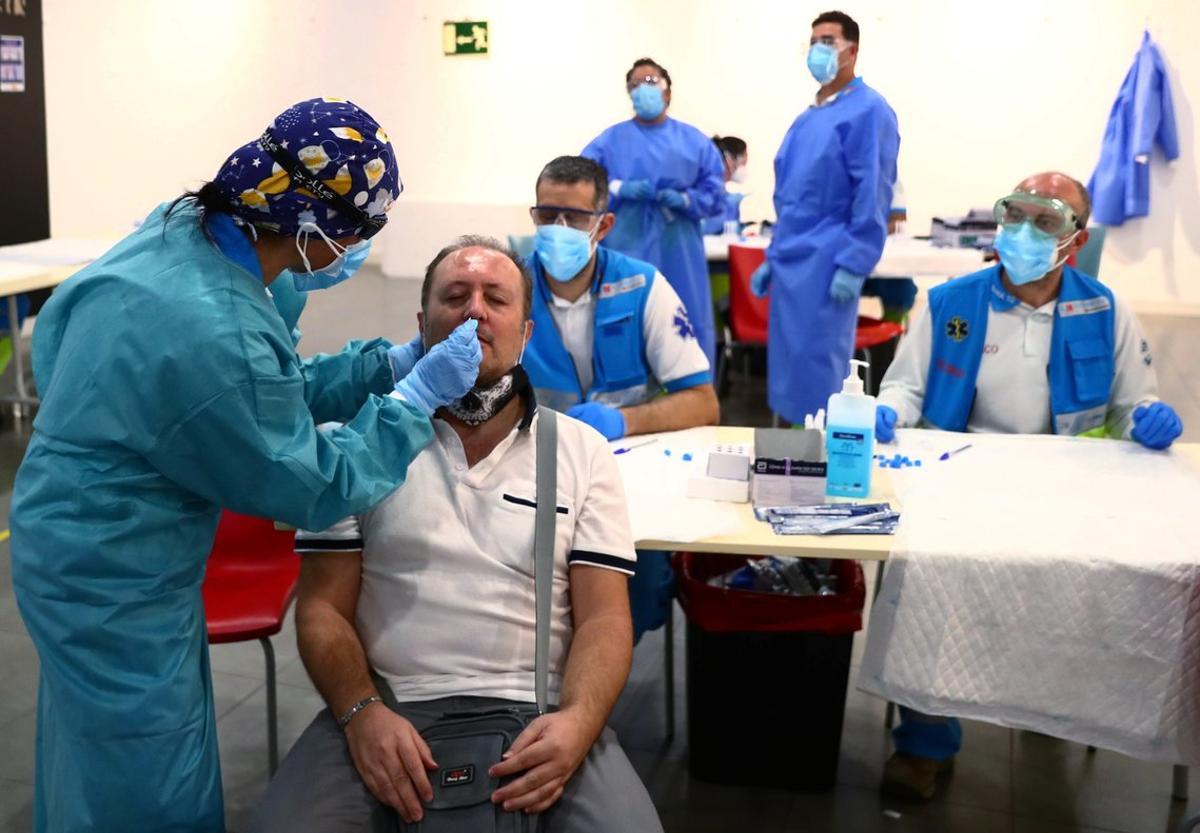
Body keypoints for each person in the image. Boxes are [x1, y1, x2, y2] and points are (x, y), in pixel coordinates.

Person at [10, 98, 482, 833]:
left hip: (74, 524)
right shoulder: (213, 327)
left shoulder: (185, 230)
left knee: (89, 751)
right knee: (146, 773)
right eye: (359, 232)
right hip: (111, 570)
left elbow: (258, 396)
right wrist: (415, 401)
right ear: (315, 223)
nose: (355, 251)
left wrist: (381, 369)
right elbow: (310, 480)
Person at [254, 237, 663, 833]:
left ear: (525, 334)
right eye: (455, 296)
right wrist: (361, 713)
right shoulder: (357, 445)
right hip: (386, 704)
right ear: (422, 326)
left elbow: (604, 619)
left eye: (495, 299)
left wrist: (578, 722)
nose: (475, 311)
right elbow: (321, 610)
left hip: (539, 710)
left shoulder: (580, 450)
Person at [873, 171, 1184, 801]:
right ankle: (924, 743)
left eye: (1046, 221)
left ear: (1077, 237)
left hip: (1067, 489)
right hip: (960, 480)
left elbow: (1132, 404)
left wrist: (1147, 420)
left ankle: (1053, 709)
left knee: (1071, 594)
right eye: (1016, 215)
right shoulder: (947, 301)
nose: (1024, 232)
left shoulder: (1105, 310)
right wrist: (886, 412)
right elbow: (903, 387)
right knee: (929, 586)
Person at [523, 154, 719, 639]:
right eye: (547, 215)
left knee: (634, 593)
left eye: (575, 218)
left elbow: (702, 402)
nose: (559, 228)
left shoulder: (642, 285)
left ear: (604, 224)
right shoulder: (508, 286)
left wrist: (622, 421)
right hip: (528, 468)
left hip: (622, 473)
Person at [751, 11, 899, 424]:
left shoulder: (869, 111)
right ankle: (788, 457)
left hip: (829, 262)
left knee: (820, 371)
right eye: (814, 40)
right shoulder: (809, 117)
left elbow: (872, 192)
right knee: (788, 367)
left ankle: (824, 465)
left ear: (852, 50)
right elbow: (791, 197)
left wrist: (855, 261)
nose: (819, 49)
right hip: (792, 261)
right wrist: (774, 254)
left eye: (828, 41)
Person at [582, 57, 726, 367]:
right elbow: (582, 186)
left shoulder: (695, 142)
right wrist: (618, 188)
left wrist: (687, 201)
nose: (641, 89)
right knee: (624, 322)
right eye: (634, 84)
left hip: (680, 256)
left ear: (668, 92)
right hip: (624, 252)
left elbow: (716, 195)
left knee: (683, 325)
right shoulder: (609, 142)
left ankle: (689, 397)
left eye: (650, 82)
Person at [860, 178, 918, 324]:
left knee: (900, 285)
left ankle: (891, 338)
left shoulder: (889, 177)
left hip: (871, 256)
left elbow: (897, 223)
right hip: (831, 256)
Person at [701, 135, 749, 235]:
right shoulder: (706, 186)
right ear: (729, 160)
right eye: (743, 164)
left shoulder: (725, 195)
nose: (744, 169)